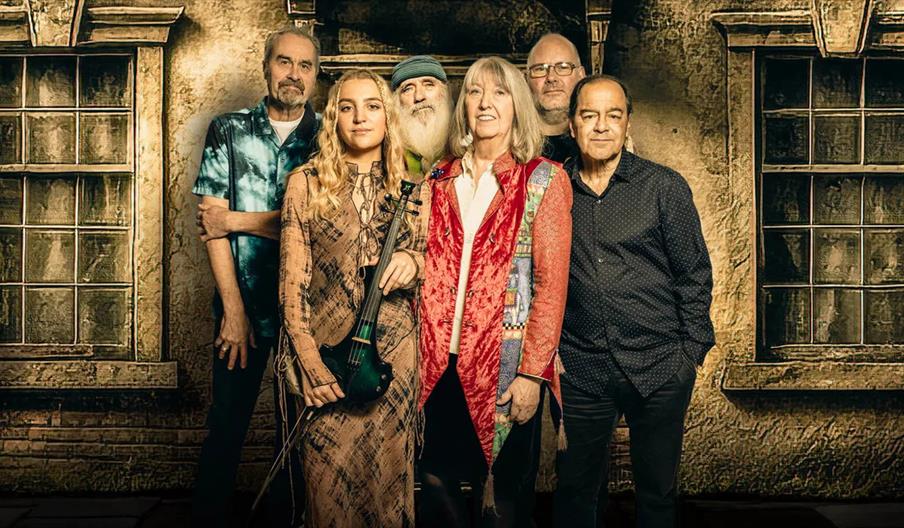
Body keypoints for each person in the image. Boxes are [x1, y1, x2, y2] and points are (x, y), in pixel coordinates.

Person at [553, 74, 715, 528]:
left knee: (658, 495)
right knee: (574, 494)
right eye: (589, 115)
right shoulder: (553, 191)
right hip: (580, 367)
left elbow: (694, 273)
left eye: (613, 115)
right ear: (572, 125)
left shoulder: (664, 187)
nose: (601, 126)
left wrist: (690, 353)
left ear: (627, 123)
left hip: (661, 365)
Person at [417, 56, 572, 527]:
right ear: (462, 105)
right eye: (475, 92)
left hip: (507, 364)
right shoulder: (437, 179)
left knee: (505, 499)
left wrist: (532, 374)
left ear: (517, 105)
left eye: (499, 93)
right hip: (436, 362)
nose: (485, 103)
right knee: (435, 484)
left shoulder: (543, 178)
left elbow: (550, 287)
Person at [278, 68, 429, 527]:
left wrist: (414, 262)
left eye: (372, 106)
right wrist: (308, 361)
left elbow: (431, 254)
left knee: (387, 488)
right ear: (333, 118)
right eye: (347, 107)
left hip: (393, 357)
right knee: (328, 491)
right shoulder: (305, 182)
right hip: (328, 354)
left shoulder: (414, 179)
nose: (360, 117)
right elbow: (291, 283)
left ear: (388, 116)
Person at [191, 26, 320, 526]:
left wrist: (239, 220)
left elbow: (316, 225)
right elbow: (210, 224)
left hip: (305, 313)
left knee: (298, 433)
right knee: (226, 426)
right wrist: (234, 312)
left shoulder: (329, 135)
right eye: (284, 62)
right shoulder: (228, 129)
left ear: (315, 75)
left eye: (305, 66)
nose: (293, 74)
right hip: (240, 304)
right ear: (266, 66)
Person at [526, 33, 586, 163]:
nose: (551, 78)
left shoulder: (602, 140)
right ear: (526, 80)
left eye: (563, 67)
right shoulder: (509, 145)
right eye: (540, 69)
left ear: (581, 75)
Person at [391, 55, 453, 178]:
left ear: (444, 92)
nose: (419, 97)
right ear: (397, 102)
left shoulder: (467, 146)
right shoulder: (390, 154)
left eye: (429, 85)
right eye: (408, 89)